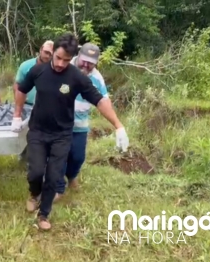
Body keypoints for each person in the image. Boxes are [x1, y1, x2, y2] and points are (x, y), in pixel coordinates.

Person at [11, 33, 129, 230]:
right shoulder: (38, 71)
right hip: (38, 131)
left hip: (62, 135)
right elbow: (22, 90)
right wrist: (16, 115)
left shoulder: (76, 77)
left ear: (72, 58)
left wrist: (119, 125)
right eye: (57, 58)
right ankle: (33, 193)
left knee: (53, 175)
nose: (60, 64)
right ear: (54, 52)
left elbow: (100, 100)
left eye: (66, 60)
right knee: (35, 172)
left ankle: (44, 215)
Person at [54, 42, 109, 201]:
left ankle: (72, 177)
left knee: (78, 157)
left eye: (90, 62)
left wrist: (117, 125)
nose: (85, 64)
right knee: (60, 156)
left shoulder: (97, 78)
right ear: (78, 56)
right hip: (59, 124)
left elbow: (104, 100)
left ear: (96, 63)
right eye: (83, 60)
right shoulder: (64, 67)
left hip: (80, 124)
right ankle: (58, 187)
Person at [13, 40, 54, 161]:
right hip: (26, 104)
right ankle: (23, 154)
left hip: (44, 106)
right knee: (25, 132)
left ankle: (38, 159)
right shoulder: (26, 66)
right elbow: (17, 85)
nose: (47, 56)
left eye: (51, 54)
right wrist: (17, 106)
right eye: (46, 52)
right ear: (41, 49)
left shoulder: (54, 68)